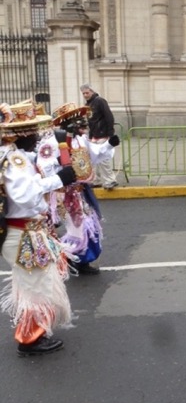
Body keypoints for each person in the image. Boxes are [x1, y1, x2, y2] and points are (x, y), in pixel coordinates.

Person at [0, 100, 77, 356]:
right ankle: (29, 339)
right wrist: (57, 180)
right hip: (23, 233)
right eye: (33, 132)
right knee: (36, 288)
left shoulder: (15, 157)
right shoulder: (16, 160)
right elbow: (24, 196)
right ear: (22, 135)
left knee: (34, 285)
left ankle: (33, 333)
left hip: (24, 232)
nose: (36, 137)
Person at [37, 102, 119, 275]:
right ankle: (74, 260)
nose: (83, 124)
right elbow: (43, 166)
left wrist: (109, 144)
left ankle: (80, 260)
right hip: (65, 194)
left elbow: (93, 156)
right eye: (78, 121)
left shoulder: (80, 140)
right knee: (78, 228)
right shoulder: (51, 143)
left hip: (81, 191)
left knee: (89, 225)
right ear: (67, 123)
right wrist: (59, 166)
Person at [80, 83, 118, 189]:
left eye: (87, 93)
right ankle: (96, 180)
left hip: (103, 134)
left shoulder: (100, 101)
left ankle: (110, 180)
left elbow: (109, 116)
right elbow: (91, 121)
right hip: (95, 135)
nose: (85, 95)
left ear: (92, 91)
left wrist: (110, 133)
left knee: (103, 159)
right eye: (83, 93)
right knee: (94, 159)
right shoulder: (88, 105)